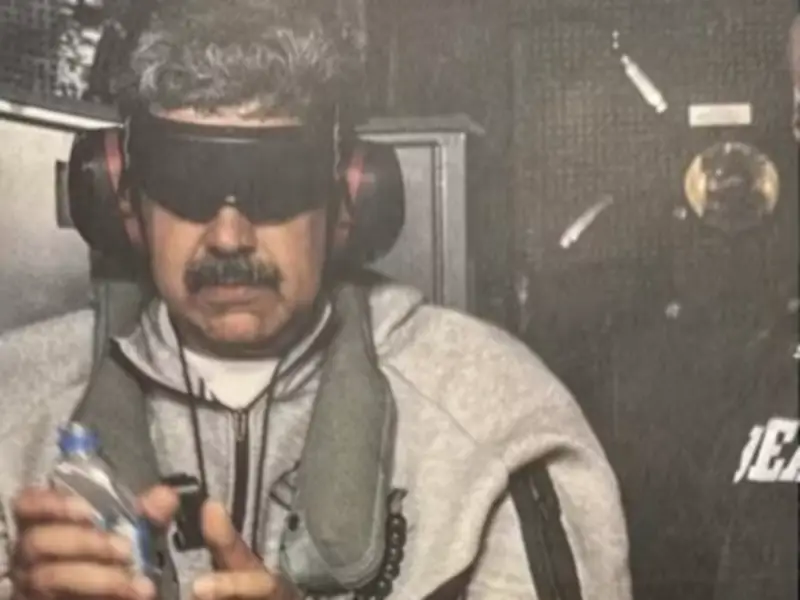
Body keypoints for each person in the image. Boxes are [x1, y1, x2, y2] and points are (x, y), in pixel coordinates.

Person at [0, 1, 631, 599]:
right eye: (187, 181)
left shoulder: (496, 415)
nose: (229, 237)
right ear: (122, 198)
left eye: (275, 183)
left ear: (348, 199)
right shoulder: (13, 402)